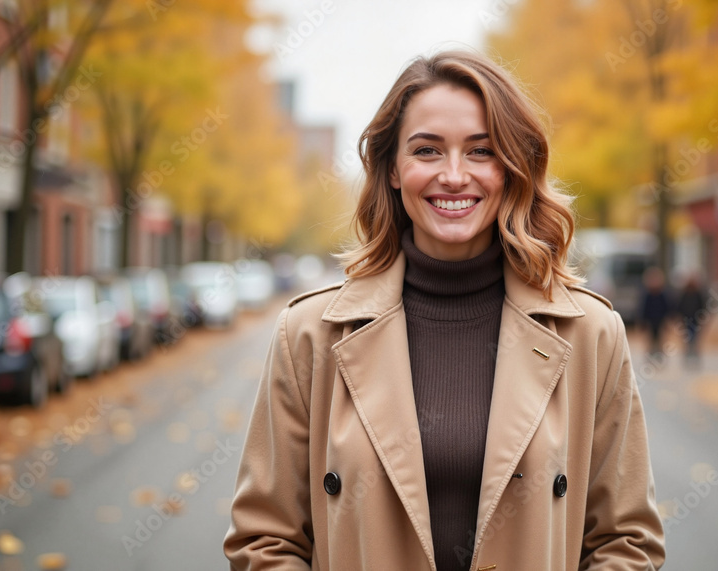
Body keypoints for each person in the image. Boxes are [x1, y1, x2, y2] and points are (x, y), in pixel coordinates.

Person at [224, 50, 665, 570]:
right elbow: (264, 540)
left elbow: (626, 541)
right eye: (428, 150)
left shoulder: (592, 334)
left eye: (481, 151)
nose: (454, 176)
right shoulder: (308, 336)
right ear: (392, 169)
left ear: (513, 168)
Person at [639, 266, 672, 361]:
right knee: (650, 341)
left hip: (660, 321)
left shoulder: (662, 295)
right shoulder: (647, 295)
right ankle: (650, 358)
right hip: (650, 322)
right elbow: (643, 309)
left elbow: (667, 309)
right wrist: (643, 322)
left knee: (660, 341)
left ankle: (659, 359)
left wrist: (668, 321)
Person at [676, 272, 707, 368]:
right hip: (686, 322)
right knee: (687, 341)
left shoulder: (698, 294)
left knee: (694, 341)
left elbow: (702, 308)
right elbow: (680, 308)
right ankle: (687, 359)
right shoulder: (684, 294)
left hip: (696, 321)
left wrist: (702, 319)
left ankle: (695, 359)